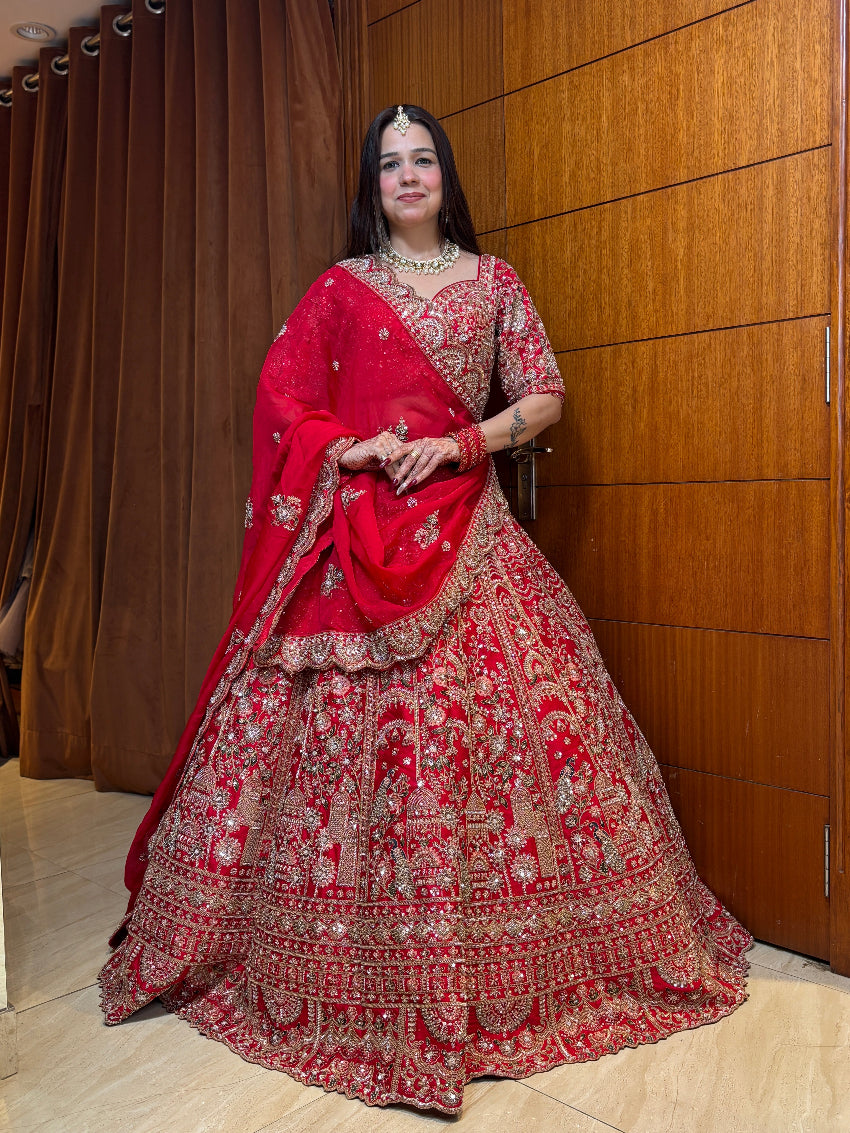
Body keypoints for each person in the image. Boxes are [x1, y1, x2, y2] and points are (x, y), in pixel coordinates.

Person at [98, 104, 751, 1114]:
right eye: (389, 163)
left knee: (511, 732)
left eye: (423, 160)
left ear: (445, 177)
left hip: (469, 529)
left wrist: (460, 445)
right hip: (352, 542)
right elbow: (283, 400)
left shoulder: (495, 285)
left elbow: (543, 395)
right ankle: (316, 962)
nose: (407, 175)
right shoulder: (338, 292)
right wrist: (349, 449)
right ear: (372, 185)